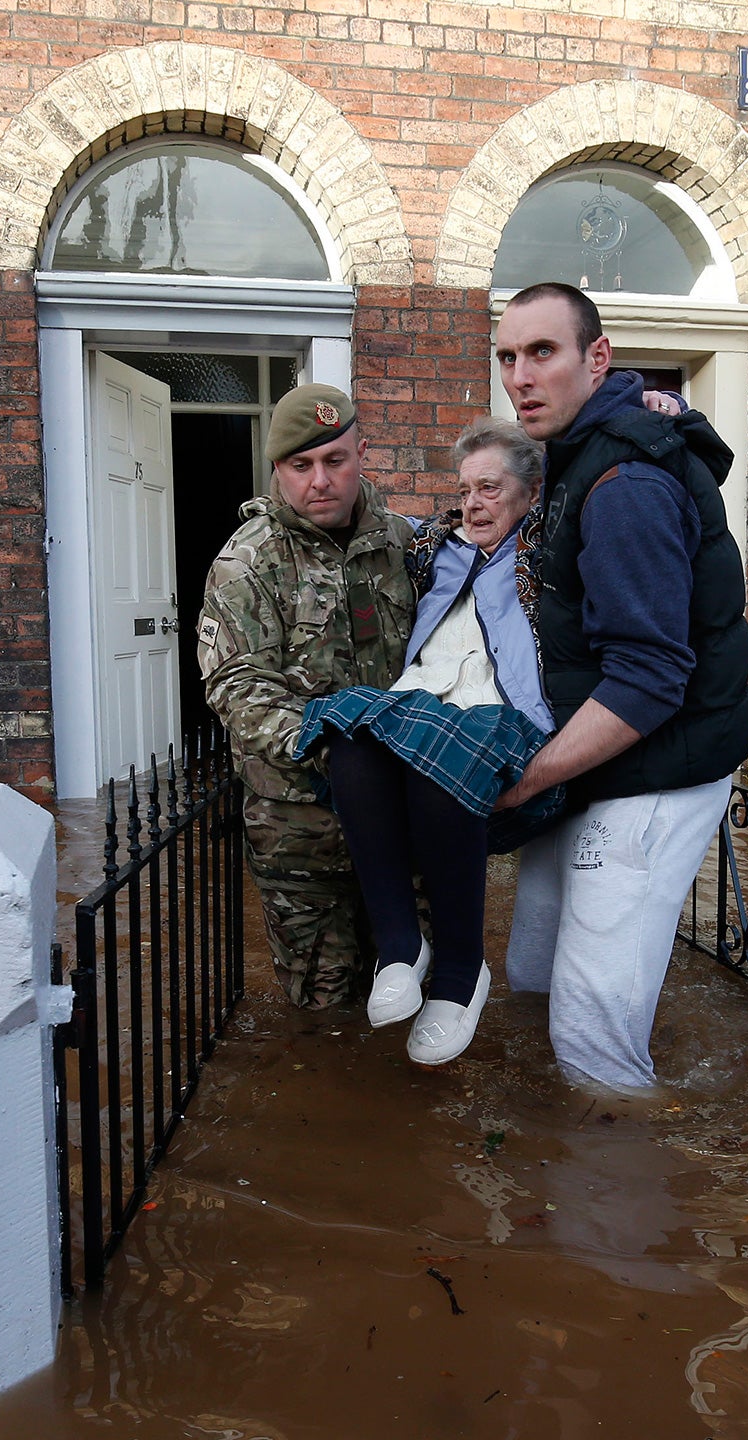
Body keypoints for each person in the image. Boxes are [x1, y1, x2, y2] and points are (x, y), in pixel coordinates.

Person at [490, 282, 748, 1089]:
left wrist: (522, 782)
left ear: (596, 357)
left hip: (658, 769)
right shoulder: (577, 454)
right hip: (599, 761)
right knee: (530, 971)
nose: (520, 377)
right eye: (508, 357)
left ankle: (616, 1177)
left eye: (543, 352)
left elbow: (648, 677)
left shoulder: (625, 486)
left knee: (589, 1028)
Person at [292, 418, 557, 1066]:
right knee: (349, 735)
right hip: (423, 698)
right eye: (466, 488)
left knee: (443, 762)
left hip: (503, 714)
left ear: (531, 492)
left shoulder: (555, 552)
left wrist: (666, 414)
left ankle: (464, 973)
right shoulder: (435, 547)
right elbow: (363, 525)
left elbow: (617, 486)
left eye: (491, 488)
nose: (474, 502)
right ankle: (402, 945)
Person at [196, 384, 416, 1009]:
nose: (320, 481)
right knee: (323, 1009)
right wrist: (339, 748)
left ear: (362, 454)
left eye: (335, 461)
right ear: (278, 471)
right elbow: (236, 686)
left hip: (405, 820)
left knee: (414, 989)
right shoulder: (247, 563)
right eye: (301, 466)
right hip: (301, 832)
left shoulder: (407, 546)